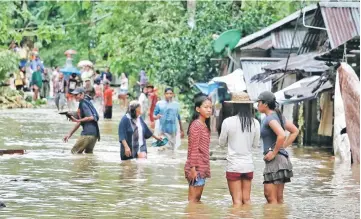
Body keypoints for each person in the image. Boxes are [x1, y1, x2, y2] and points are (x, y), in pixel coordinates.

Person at [257, 91, 299, 204]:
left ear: (265, 104)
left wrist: (275, 152)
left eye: (259, 102)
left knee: (270, 197)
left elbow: (282, 134)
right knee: (278, 199)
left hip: (276, 160)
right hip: (282, 160)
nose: (257, 105)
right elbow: (295, 131)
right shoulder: (278, 116)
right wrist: (282, 147)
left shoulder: (270, 118)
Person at [218, 93, 260, 206]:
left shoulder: (227, 122)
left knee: (236, 201)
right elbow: (255, 145)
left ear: (234, 106)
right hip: (248, 165)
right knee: (247, 200)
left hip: (234, 165)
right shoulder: (255, 123)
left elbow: (221, 143)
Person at [184, 94, 212, 203]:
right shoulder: (196, 125)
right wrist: (192, 169)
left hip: (202, 167)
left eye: (210, 107)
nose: (209, 110)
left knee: (197, 200)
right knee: (193, 201)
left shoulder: (204, 125)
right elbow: (193, 149)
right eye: (206, 107)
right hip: (196, 169)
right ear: (198, 109)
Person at [63, 87, 100, 154]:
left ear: (82, 94)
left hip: (87, 134)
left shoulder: (82, 103)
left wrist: (77, 120)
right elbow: (80, 122)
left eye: (76, 95)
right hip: (94, 135)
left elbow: (91, 117)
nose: (75, 97)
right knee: (88, 155)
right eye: (74, 95)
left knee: (74, 152)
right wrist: (69, 134)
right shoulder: (88, 102)